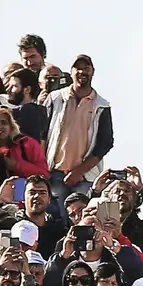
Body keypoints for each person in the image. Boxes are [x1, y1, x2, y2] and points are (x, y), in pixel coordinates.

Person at [44, 54, 112, 193]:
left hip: (85, 178)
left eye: (86, 68)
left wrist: (79, 172)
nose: (82, 72)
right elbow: (42, 133)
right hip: (54, 172)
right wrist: (42, 169)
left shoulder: (101, 106)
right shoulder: (55, 98)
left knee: (81, 213)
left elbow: (105, 143)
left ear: (92, 71)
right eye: (77, 68)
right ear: (71, 72)